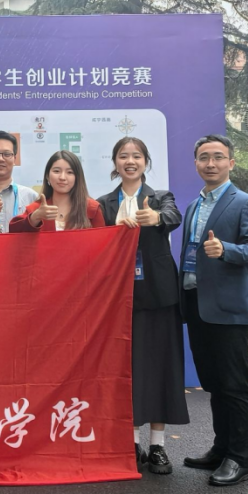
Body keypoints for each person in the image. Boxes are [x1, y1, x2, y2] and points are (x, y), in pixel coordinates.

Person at [96, 137, 188, 475]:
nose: (130, 161)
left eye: (136, 156)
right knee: (128, 367)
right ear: (115, 162)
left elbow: (173, 217)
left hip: (159, 295)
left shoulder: (160, 197)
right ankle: (131, 441)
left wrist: (155, 217)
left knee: (161, 365)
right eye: (123, 156)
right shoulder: (103, 204)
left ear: (146, 162)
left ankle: (158, 445)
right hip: (118, 297)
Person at [178, 135, 248, 487]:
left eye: (218, 157)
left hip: (228, 309)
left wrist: (226, 249)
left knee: (235, 385)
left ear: (231, 162)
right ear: (196, 163)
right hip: (197, 304)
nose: (210, 163)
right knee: (214, 384)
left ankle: (240, 460)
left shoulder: (245, 202)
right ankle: (221, 449)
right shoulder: (193, 205)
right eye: (204, 157)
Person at [9, 150, 106, 232]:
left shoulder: (92, 209)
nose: (62, 177)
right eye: (56, 171)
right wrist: (35, 217)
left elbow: (102, 243)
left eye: (70, 172)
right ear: (47, 176)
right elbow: (14, 232)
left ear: (77, 178)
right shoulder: (36, 209)